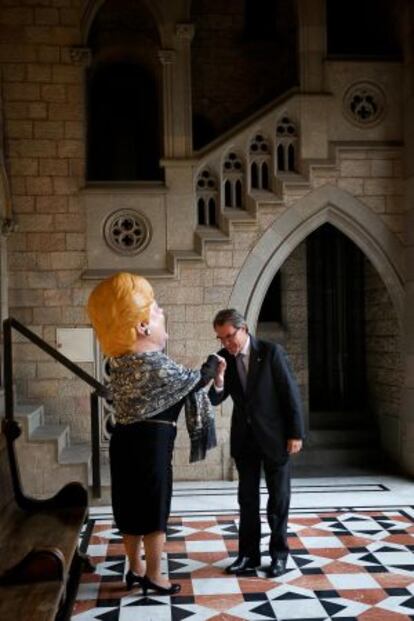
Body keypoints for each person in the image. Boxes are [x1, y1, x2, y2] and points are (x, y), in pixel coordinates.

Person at [87, 272, 220, 596]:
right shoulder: (153, 364)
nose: (163, 314)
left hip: (124, 441)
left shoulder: (120, 364)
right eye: (157, 309)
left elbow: (187, 385)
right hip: (152, 447)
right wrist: (213, 364)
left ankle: (136, 569)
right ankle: (156, 575)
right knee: (155, 510)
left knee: (129, 508)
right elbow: (194, 381)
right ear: (142, 327)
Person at [209, 308, 304, 578]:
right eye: (221, 338)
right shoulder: (224, 359)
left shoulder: (272, 352)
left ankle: (279, 557)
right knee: (247, 501)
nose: (227, 343)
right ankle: (248, 557)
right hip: (245, 441)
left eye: (229, 336)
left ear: (244, 328)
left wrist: (295, 434)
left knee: (278, 501)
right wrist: (219, 379)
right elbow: (215, 399)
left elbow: (290, 394)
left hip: (276, 438)